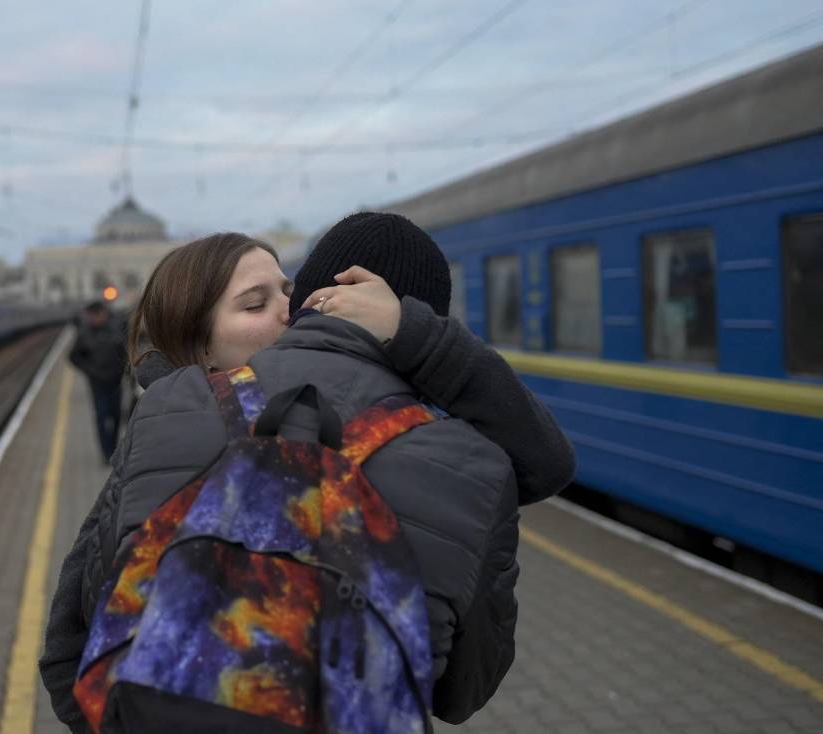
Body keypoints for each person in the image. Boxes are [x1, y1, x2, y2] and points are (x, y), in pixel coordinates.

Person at [42, 218, 575, 730]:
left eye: (289, 295)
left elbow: (77, 638)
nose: (285, 314)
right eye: (257, 303)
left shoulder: (166, 409)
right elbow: (461, 692)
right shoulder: (471, 464)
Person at [68, 301, 127, 463]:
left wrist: (123, 370)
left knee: (115, 416)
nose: (96, 318)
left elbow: (125, 352)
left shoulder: (116, 330)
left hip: (115, 382)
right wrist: (90, 371)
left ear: (104, 314)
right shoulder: (84, 334)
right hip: (97, 384)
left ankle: (113, 448)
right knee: (101, 416)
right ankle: (105, 452)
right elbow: (74, 357)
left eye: (99, 315)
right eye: (93, 316)